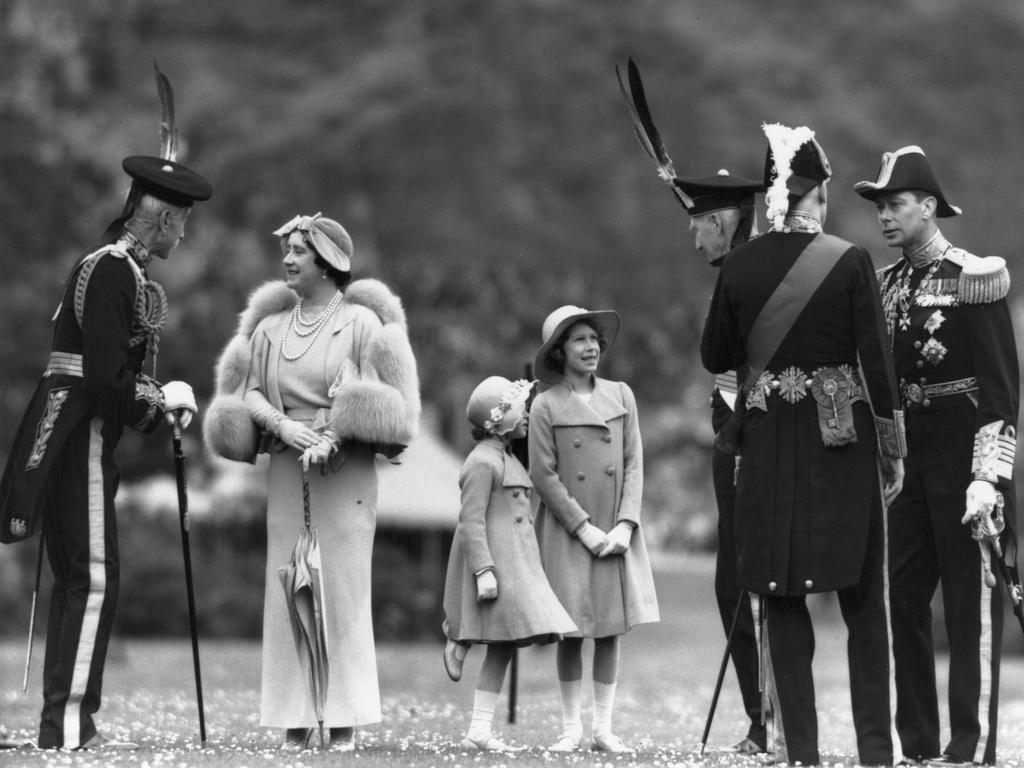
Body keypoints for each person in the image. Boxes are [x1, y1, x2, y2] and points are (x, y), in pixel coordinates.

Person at [701, 124, 905, 766]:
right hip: (842, 447)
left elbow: (715, 354)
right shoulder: (849, 261)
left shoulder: (737, 265)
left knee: (782, 598)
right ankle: (876, 751)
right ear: (813, 196)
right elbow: (876, 360)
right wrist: (892, 447)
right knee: (865, 603)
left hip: (766, 450)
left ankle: (803, 755)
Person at [0, 155, 213, 750]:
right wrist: (160, 401)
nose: (186, 233)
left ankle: (60, 726)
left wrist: (149, 393)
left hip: (73, 433)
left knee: (79, 579)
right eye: (184, 221)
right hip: (81, 434)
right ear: (164, 218)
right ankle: (68, 726)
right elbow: (103, 381)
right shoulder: (116, 270)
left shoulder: (118, 268)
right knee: (93, 580)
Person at [202, 213, 420, 751]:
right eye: (287, 250)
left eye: (299, 250)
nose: (288, 259)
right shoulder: (271, 328)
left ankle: (342, 719)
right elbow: (249, 392)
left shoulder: (363, 325)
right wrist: (283, 427)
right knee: (286, 588)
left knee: (341, 591)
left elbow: (369, 397)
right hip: (284, 465)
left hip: (344, 472)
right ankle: (293, 717)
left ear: (328, 261)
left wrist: (331, 437)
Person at [854, 146, 1020, 766]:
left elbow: (1001, 393)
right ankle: (919, 745)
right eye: (879, 208)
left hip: (963, 457)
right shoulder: (884, 285)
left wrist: (988, 476)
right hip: (905, 465)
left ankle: (966, 746)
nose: (885, 217)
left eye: (895, 204)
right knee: (901, 603)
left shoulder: (973, 276)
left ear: (928, 206)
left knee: (968, 605)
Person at [528, 305, 659, 754]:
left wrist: (625, 525)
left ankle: (603, 728)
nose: (590, 347)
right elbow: (544, 476)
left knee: (608, 627)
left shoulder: (621, 395)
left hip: (614, 529)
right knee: (571, 631)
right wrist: (583, 529)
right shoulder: (545, 405)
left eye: (593, 339)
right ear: (560, 350)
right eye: (579, 339)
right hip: (569, 531)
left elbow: (634, 464)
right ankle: (570, 728)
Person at [674, 169, 768, 754]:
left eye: (697, 226)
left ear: (717, 222)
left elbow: (721, 351)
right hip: (727, 428)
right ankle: (761, 715)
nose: (693, 238)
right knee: (729, 582)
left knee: (749, 581)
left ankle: (769, 718)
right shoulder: (736, 271)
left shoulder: (753, 273)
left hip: (754, 433)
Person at [441, 375, 577, 752]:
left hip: (517, 559)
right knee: (503, 633)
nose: (528, 414)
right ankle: (458, 639)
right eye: (521, 409)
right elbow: (471, 520)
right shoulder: (482, 463)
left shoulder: (508, 457)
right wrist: (483, 569)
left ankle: (479, 730)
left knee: (507, 639)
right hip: (497, 561)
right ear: (498, 420)